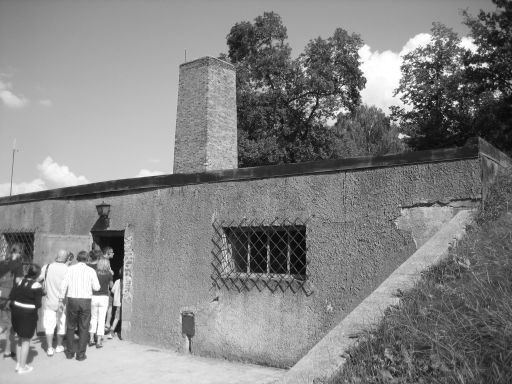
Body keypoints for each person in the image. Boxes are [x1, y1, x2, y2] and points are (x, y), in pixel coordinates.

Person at [58, 250, 100, 361]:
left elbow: (63, 285)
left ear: (77, 258)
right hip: (85, 300)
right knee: (84, 327)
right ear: (87, 259)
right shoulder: (91, 271)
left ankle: (70, 352)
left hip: (72, 299)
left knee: (71, 326)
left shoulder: (70, 269)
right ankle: (81, 354)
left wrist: (61, 299)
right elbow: (97, 287)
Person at [9, 263, 43, 374]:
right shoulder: (37, 285)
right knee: (26, 341)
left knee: (19, 338)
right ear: (37, 274)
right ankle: (22, 367)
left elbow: (12, 296)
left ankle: (19, 363)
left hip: (16, 312)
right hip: (28, 315)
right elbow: (38, 304)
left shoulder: (20, 281)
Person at [38, 250, 68, 356]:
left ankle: (50, 348)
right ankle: (59, 346)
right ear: (66, 258)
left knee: (49, 326)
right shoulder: (68, 269)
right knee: (61, 325)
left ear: (57, 256)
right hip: (63, 303)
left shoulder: (46, 267)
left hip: (49, 302)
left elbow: (39, 279)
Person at [0, 245, 24, 359]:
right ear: (19, 253)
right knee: (10, 325)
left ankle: (8, 351)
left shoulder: (2, 263)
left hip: (1, 296)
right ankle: (7, 351)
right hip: (11, 296)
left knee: (5, 322)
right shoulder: (18, 265)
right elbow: (19, 282)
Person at [89, 258, 112, 348]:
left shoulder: (94, 272)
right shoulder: (109, 274)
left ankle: (91, 339)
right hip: (104, 297)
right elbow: (111, 286)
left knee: (93, 318)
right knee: (102, 319)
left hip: (94, 296)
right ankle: (98, 341)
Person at [107, 267, 122, 340]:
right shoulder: (125, 282)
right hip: (120, 303)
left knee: (117, 316)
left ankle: (115, 329)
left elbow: (112, 290)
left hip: (116, 302)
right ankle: (111, 331)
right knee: (117, 317)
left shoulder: (117, 281)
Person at [102, 246, 114, 333]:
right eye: (112, 252)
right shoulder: (105, 261)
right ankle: (107, 325)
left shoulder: (104, 260)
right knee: (109, 306)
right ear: (108, 253)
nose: (113, 254)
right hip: (105, 288)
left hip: (101, 288)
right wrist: (111, 273)